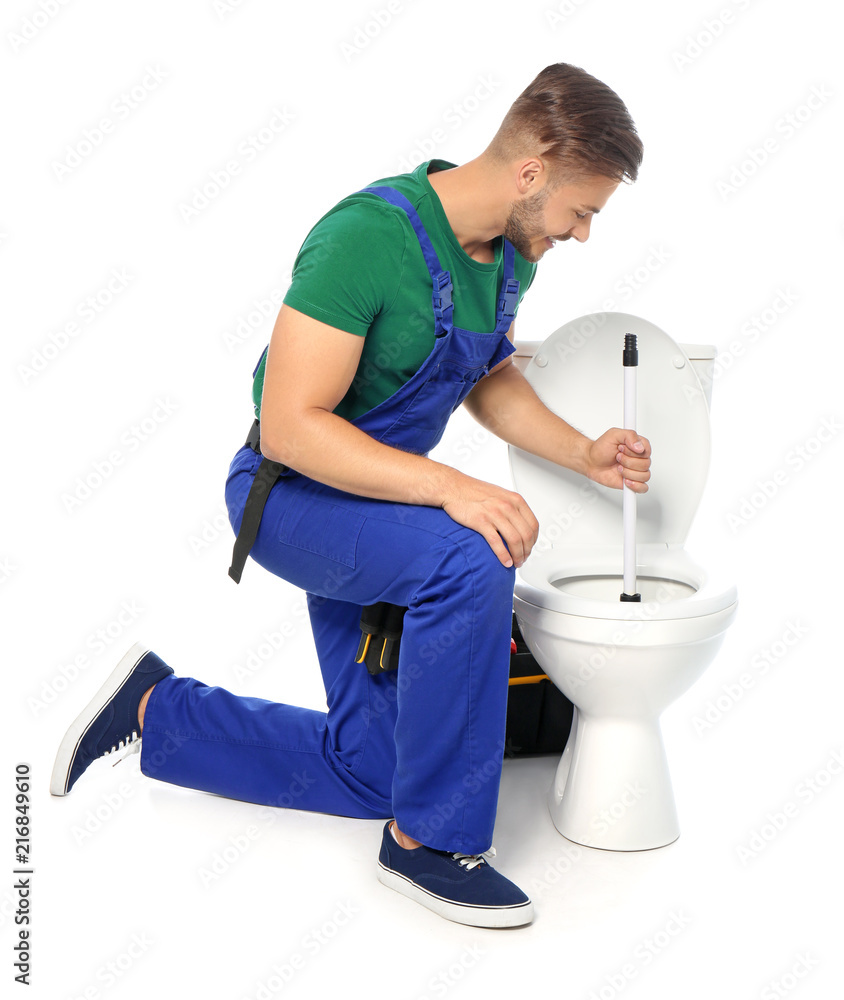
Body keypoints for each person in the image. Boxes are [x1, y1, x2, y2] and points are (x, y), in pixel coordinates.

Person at [51, 63, 651, 929]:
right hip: (293, 495)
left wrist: (585, 451)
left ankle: (155, 707)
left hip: (383, 505)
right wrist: (452, 488)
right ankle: (428, 845)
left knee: (373, 769)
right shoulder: (368, 237)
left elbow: (485, 375)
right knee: (471, 554)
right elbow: (291, 426)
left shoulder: (510, 254)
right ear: (532, 175)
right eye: (582, 210)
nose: (584, 233)